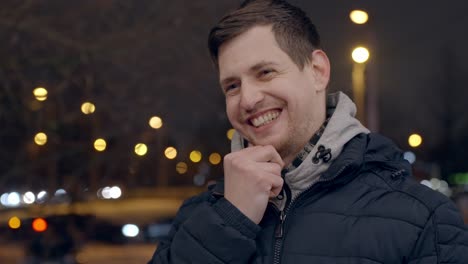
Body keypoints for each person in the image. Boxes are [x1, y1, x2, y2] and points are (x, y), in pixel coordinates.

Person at [148, 0, 468, 263]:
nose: (247, 99)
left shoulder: (424, 218)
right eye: (232, 85)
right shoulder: (199, 217)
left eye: (265, 72)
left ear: (317, 71)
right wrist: (229, 219)